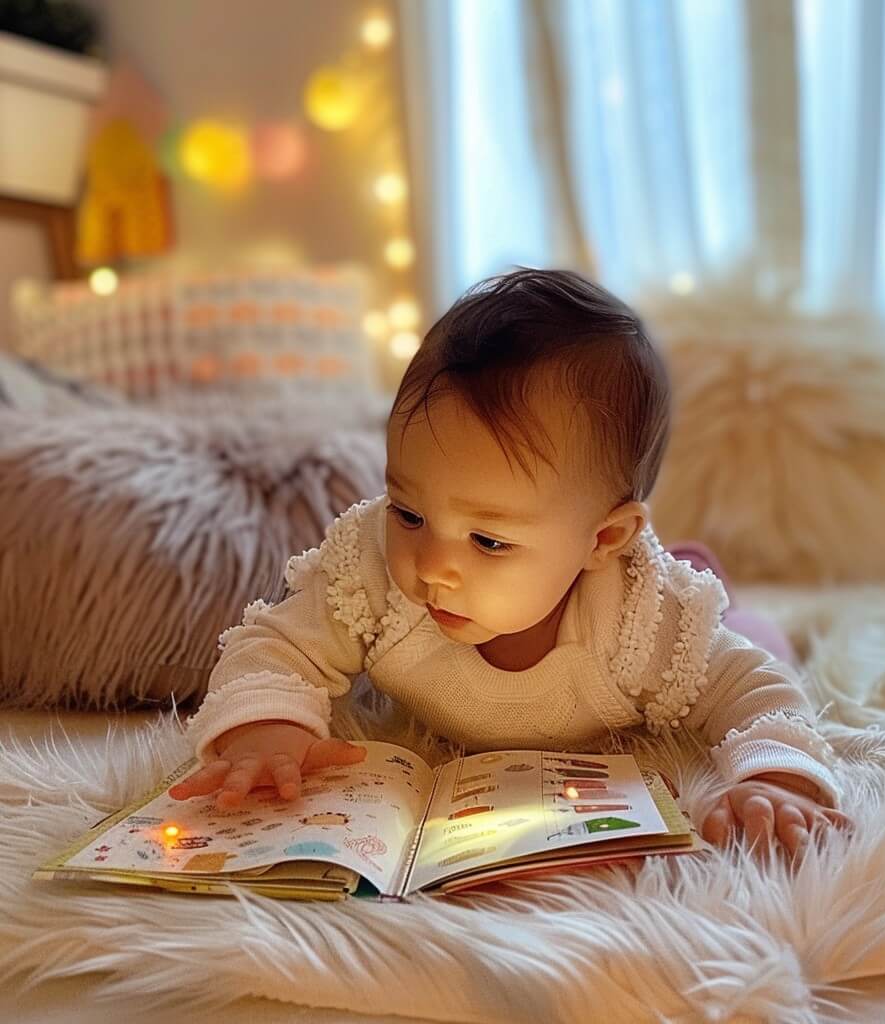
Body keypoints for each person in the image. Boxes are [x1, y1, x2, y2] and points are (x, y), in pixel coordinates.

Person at [170, 268, 848, 858]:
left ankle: (714, 578)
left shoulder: (643, 620)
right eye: (410, 512)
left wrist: (774, 782)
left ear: (604, 541)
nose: (433, 565)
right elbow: (275, 642)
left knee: (753, 636)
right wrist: (267, 728)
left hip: (665, 606)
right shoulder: (372, 571)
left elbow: (751, 688)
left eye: (489, 541)